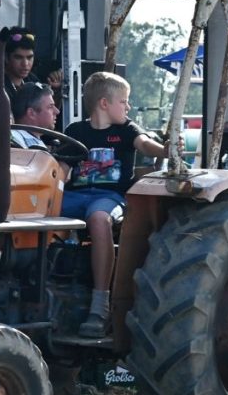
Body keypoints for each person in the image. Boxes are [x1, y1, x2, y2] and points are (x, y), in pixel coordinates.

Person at [63, 72, 168, 338]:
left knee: (99, 218)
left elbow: (145, 145)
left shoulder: (127, 130)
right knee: (38, 210)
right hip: (74, 197)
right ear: (104, 103)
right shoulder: (75, 132)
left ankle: (100, 305)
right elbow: (61, 168)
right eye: (124, 101)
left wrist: (166, 150)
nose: (128, 107)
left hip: (109, 198)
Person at [0, 26, 63, 109]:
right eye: (18, 57)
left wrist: (56, 91)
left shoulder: (33, 80)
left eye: (29, 57)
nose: (25, 64)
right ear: (6, 58)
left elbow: (48, 112)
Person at [11, 82, 60, 148]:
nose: (57, 111)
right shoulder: (13, 141)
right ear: (31, 113)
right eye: (50, 107)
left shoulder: (26, 139)